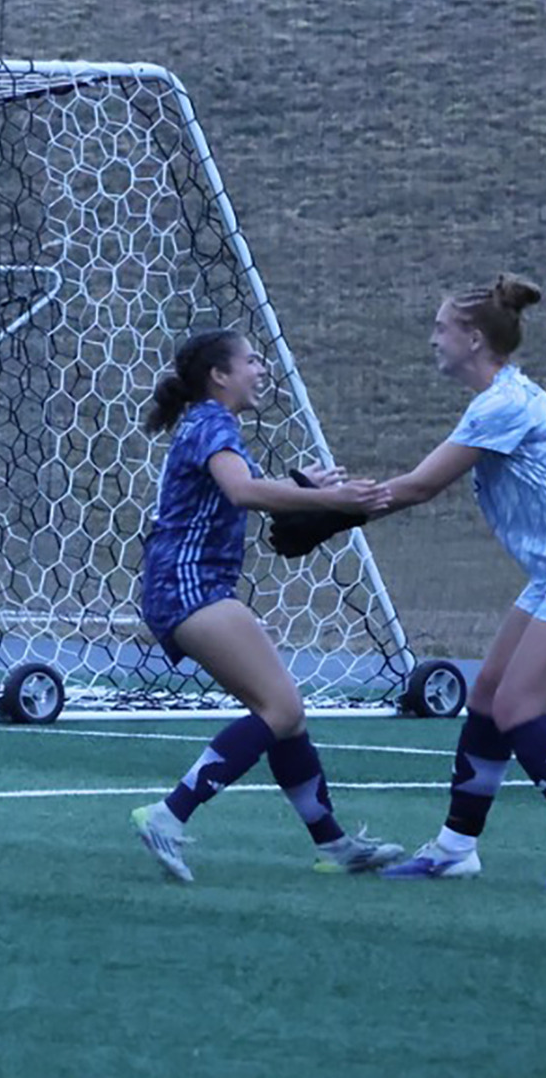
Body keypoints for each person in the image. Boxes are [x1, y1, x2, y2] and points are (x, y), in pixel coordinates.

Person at [375, 275, 546, 890]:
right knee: (486, 701)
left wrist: (324, 510)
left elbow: (420, 486)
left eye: (441, 328)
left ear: (474, 339)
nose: (433, 340)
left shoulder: (504, 405)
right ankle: (454, 848)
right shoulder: (496, 400)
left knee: (520, 708)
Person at [127, 328, 404, 882]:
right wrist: (330, 498)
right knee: (279, 710)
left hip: (186, 585)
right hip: (188, 584)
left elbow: (231, 487)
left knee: (286, 716)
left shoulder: (210, 424)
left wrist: (300, 483)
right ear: (220, 376)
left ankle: (335, 845)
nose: (262, 369)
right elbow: (242, 492)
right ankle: (167, 815)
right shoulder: (212, 421)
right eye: (252, 360)